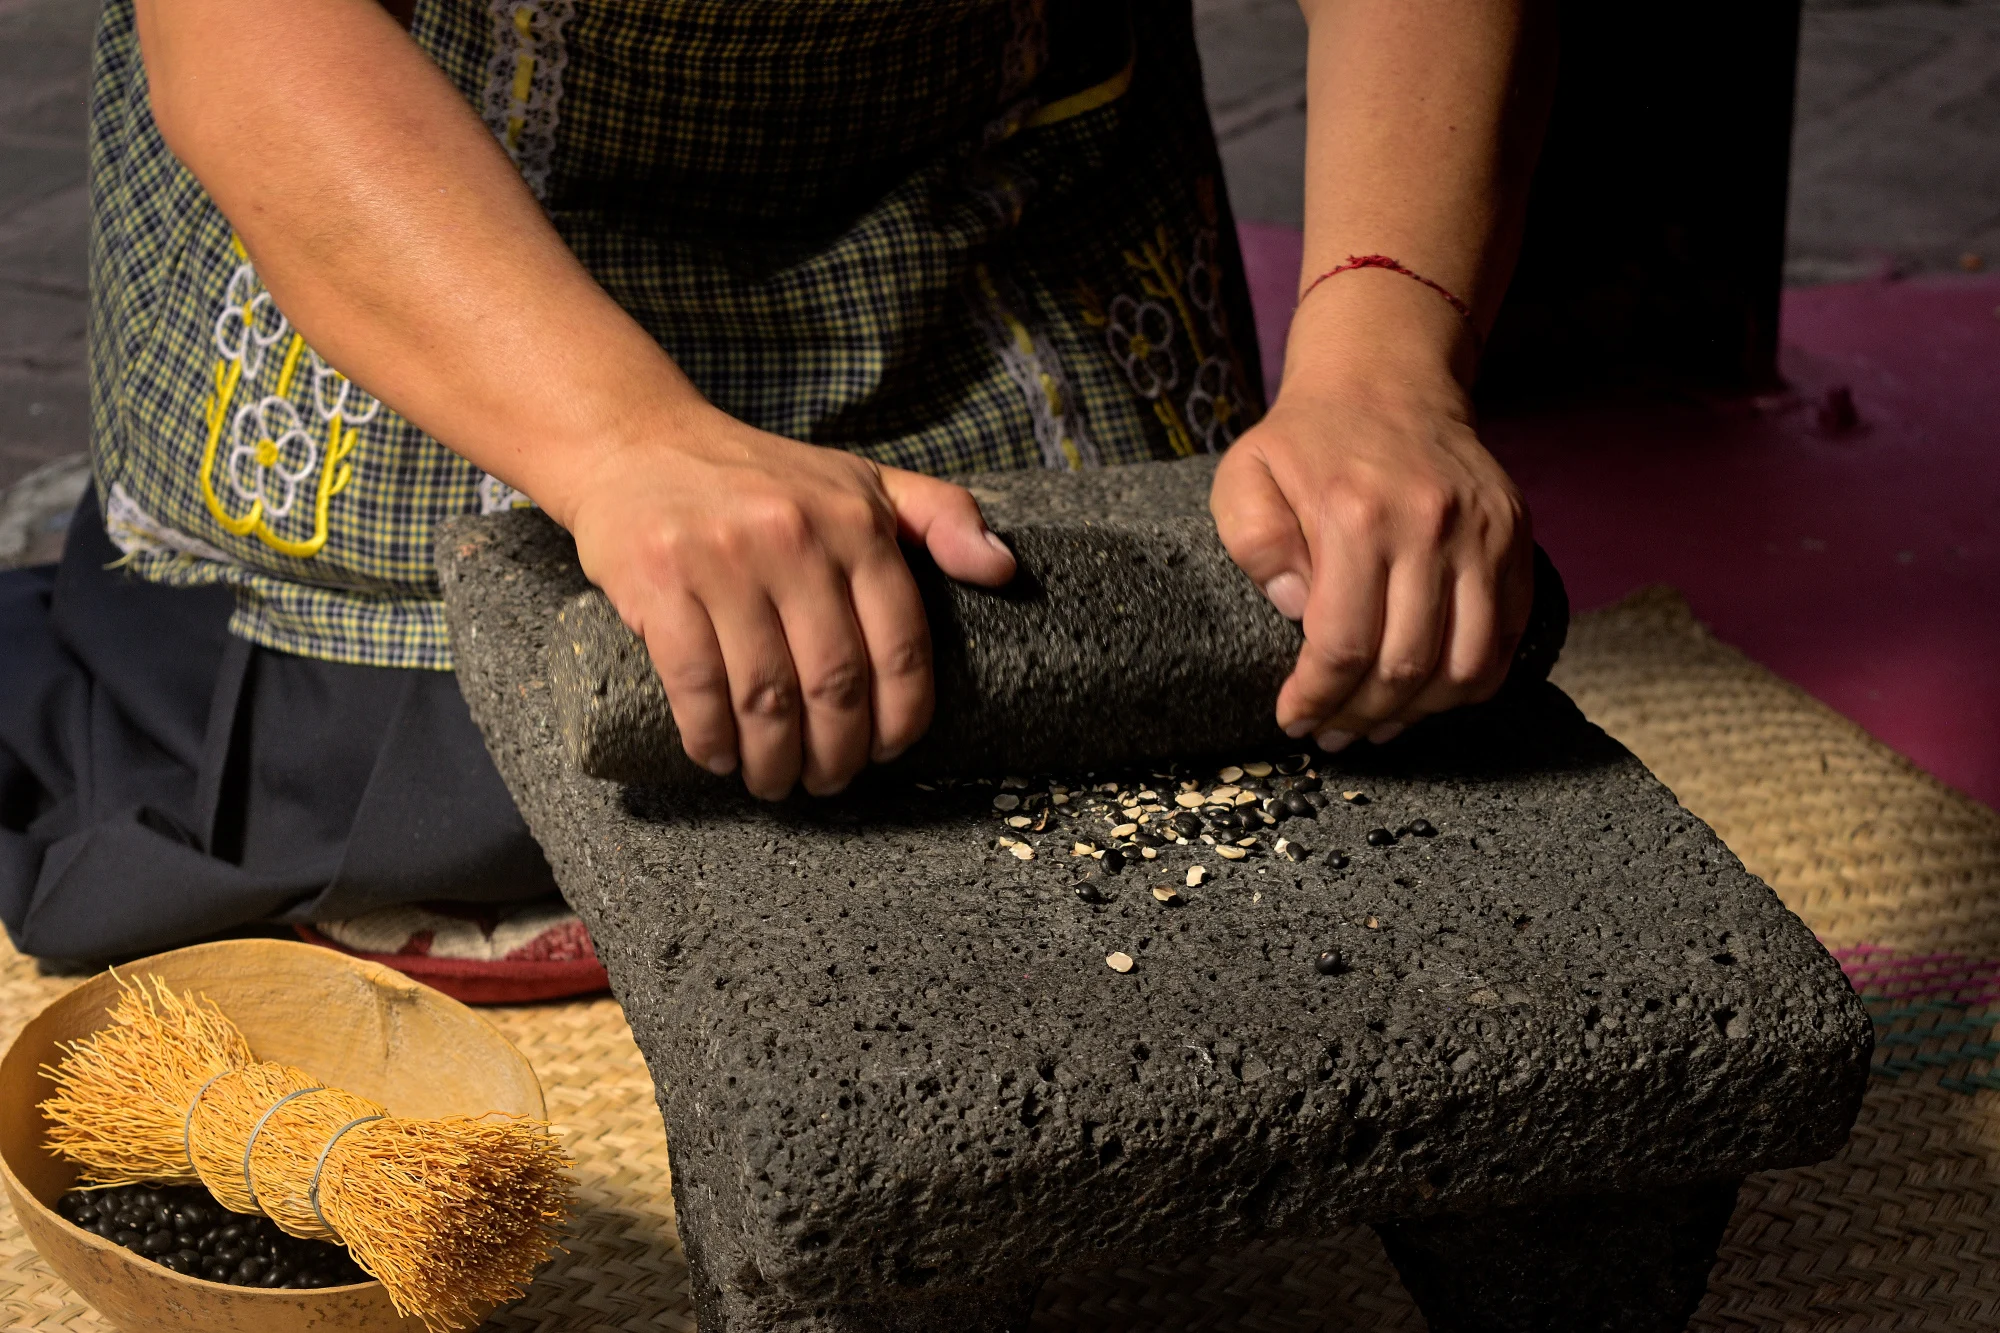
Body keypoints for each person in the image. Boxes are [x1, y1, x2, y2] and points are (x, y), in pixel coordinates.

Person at [0, 0, 1552, 962]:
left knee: (1241, 667)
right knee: (501, 769)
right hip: (443, 199)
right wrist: (619, 446)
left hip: (992, 179)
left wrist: (1385, 355)